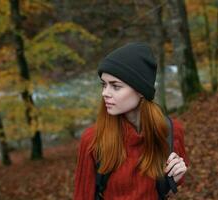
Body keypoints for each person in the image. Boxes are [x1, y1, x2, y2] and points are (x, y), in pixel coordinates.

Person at [74, 42, 189, 200]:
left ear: (141, 90)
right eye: (104, 85)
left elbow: (166, 190)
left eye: (115, 86)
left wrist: (174, 178)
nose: (105, 93)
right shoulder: (92, 140)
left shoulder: (170, 131)